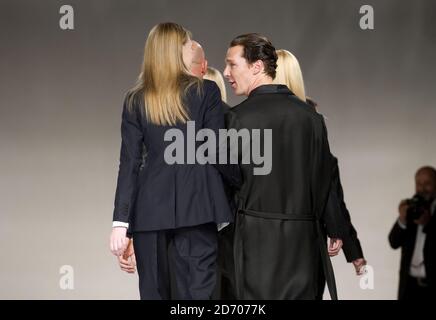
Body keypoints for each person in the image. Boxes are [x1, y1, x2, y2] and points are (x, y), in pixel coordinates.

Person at [109, 22, 235, 300]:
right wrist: (240, 184)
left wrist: (120, 221)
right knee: (199, 296)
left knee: (155, 294)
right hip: (199, 209)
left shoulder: (135, 100)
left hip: (149, 214)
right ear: (178, 50)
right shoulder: (206, 92)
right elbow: (216, 151)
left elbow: (129, 163)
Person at [221, 33, 343, 299]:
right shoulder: (312, 119)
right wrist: (334, 226)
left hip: (254, 249)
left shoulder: (236, 119)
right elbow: (324, 182)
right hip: (305, 248)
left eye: (232, 64)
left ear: (257, 67)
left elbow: (228, 184)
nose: (227, 73)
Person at [273, 49, 367, 298]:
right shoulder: (311, 120)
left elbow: (327, 181)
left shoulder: (249, 117)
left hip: (265, 236)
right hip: (305, 238)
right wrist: (340, 234)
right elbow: (326, 183)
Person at [389, 166, 436, 300]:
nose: (422, 188)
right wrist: (402, 219)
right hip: (409, 286)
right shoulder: (411, 208)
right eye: (419, 184)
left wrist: (428, 224)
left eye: (427, 184)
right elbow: (393, 242)